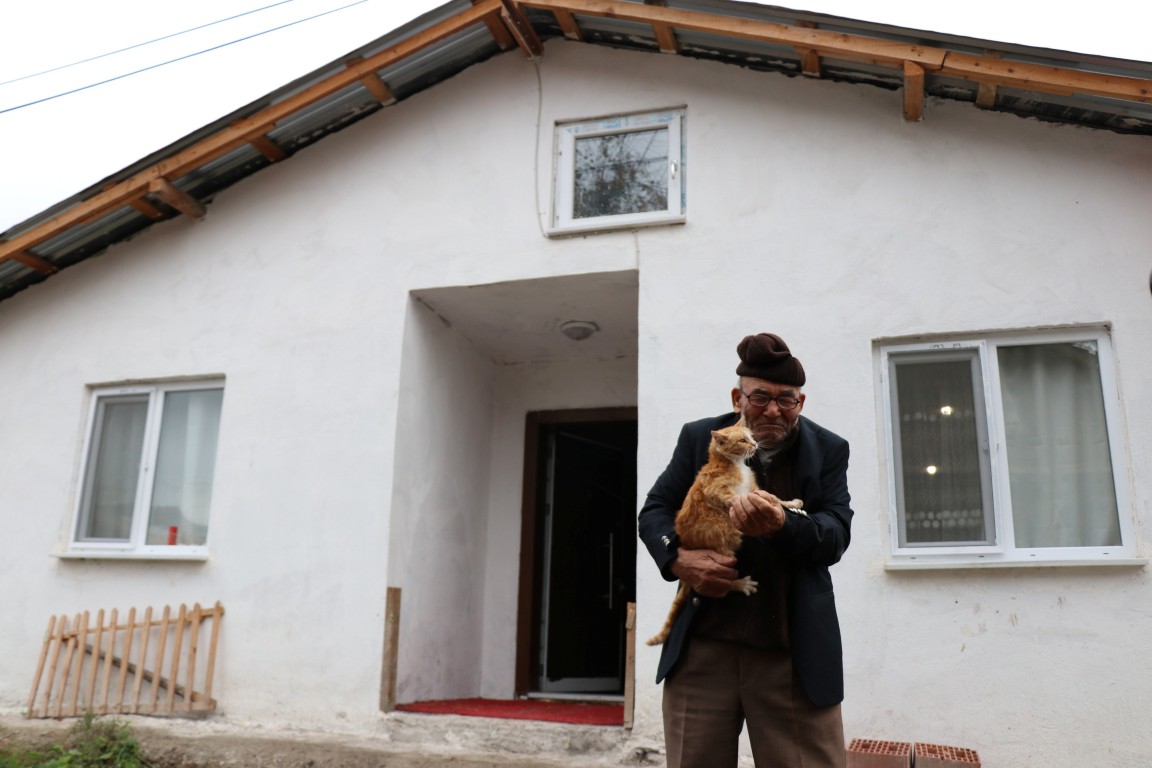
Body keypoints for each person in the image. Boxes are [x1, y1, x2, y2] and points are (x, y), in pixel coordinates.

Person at [638, 332, 853, 768]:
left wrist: (783, 525)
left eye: (786, 399)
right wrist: (678, 559)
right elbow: (655, 510)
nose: (773, 410)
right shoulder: (700, 437)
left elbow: (836, 533)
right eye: (760, 397)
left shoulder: (828, 449)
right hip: (703, 649)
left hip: (791, 651)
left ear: (801, 402)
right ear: (738, 397)